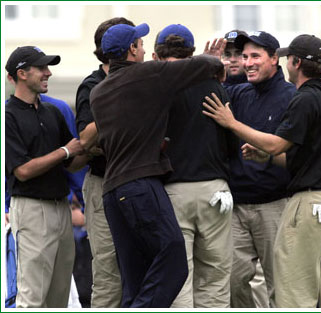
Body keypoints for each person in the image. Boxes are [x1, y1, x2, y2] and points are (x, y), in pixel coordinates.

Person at [203, 34, 321, 308]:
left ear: (295, 63)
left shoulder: (303, 98)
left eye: (289, 59)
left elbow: (277, 144)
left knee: (294, 294)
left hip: (308, 204)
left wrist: (231, 123)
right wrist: (267, 155)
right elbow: (299, 156)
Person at [88, 23, 226, 308]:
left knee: (134, 279)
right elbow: (207, 64)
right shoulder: (147, 74)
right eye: (139, 43)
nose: (141, 47)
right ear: (132, 50)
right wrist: (212, 59)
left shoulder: (98, 92)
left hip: (112, 193)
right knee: (174, 260)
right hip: (140, 185)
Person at [152, 24, 236, 308]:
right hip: (215, 189)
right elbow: (231, 144)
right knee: (215, 278)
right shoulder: (214, 86)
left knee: (179, 277)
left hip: (174, 190)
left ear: (156, 55)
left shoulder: (158, 88)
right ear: (191, 53)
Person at [5, 46, 88, 307]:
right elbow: (23, 170)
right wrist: (65, 151)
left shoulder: (52, 112)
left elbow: (73, 164)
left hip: (60, 207)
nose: (48, 73)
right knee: (32, 298)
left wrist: (95, 145)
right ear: (20, 74)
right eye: (41, 68)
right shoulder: (7, 116)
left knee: (58, 297)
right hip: (31, 210)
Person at [223, 31, 295, 307]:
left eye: (255, 56)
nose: (247, 62)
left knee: (281, 283)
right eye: (244, 57)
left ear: (275, 59)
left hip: (275, 204)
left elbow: (298, 155)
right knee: (231, 279)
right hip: (237, 206)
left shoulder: (291, 96)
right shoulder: (240, 93)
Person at [75, 17, 135, 308]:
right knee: (108, 269)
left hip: (140, 184)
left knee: (141, 266)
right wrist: (116, 95)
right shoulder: (92, 86)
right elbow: (87, 139)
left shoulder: (142, 78)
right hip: (102, 184)